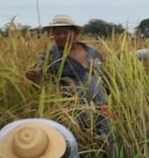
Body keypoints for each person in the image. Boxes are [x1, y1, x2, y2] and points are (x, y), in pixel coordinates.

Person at [25, 14, 112, 146]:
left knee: (107, 137)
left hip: (101, 104)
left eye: (65, 33)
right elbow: (38, 75)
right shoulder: (52, 55)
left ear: (76, 33)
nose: (61, 36)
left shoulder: (91, 51)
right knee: (79, 141)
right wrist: (35, 74)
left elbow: (104, 74)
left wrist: (110, 99)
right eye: (57, 33)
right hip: (74, 110)